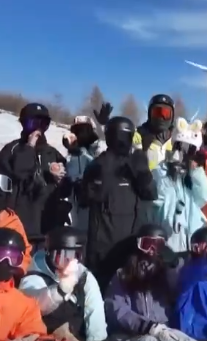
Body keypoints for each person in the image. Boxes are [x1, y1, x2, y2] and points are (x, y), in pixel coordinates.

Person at [81, 116, 158, 291]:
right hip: (104, 251)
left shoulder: (133, 163)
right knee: (102, 293)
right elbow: (86, 198)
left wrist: (144, 173)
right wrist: (105, 175)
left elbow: (151, 194)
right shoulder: (99, 165)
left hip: (131, 247)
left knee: (129, 293)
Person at [19, 226, 107, 341]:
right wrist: (60, 291)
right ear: (48, 253)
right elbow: (33, 303)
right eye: (60, 256)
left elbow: (95, 316)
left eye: (75, 255)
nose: (68, 263)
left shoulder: (84, 277)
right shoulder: (34, 276)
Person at [105, 224, 192, 341]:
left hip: (163, 330)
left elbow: (182, 288)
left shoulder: (166, 273)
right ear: (138, 245)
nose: (151, 250)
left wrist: (174, 263)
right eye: (146, 244)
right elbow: (117, 309)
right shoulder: (124, 275)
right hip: (131, 334)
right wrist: (146, 326)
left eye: (157, 245)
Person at [0, 102, 67, 239]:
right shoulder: (12, 150)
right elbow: (19, 173)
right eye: (33, 123)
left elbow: (65, 191)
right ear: (23, 123)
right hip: (18, 225)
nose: (38, 128)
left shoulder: (52, 153)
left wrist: (60, 179)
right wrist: (29, 147)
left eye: (43, 124)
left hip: (46, 226)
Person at [150, 117, 207, 253]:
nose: (183, 153)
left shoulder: (193, 176)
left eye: (189, 149)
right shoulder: (161, 170)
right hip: (170, 238)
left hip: (192, 239)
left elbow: (205, 196)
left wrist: (196, 171)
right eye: (180, 147)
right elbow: (156, 198)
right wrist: (169, 176)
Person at [63, 115, 101, 233]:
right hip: (75, 203)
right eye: (77, 130)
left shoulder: (96, 153)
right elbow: (68, 175)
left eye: (85, 130)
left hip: (94, 204)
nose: (81, 134)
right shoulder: (70, 156)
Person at [137, 95, 177, 170]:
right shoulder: (139, 136)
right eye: (157, 113)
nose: (161, 118)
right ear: (150, 115)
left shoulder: (176, 138)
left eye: (166, 114)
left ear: (172, 116)